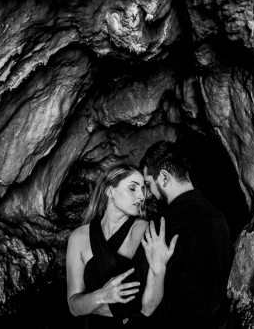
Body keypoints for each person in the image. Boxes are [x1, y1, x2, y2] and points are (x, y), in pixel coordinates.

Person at [66, 165, 178, 328]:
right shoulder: (78, 238)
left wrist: (159, 270)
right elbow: (74, 307)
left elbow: (148, 307)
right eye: (133, 188)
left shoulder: (144, 231)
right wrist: (101, 295)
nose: (141, 196)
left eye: (142, 189)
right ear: (110, 191)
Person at [139, 141, 234, 329]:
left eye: (149, 184)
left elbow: (140, 298)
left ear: (164, 178)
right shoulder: (218, 217)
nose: (149, 194)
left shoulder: (165, 225)